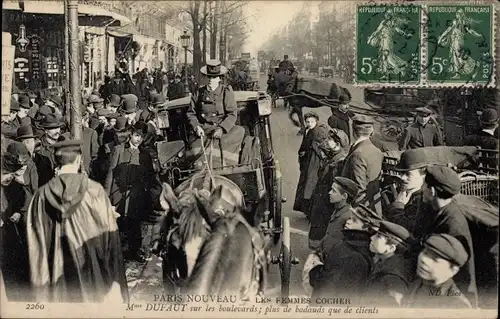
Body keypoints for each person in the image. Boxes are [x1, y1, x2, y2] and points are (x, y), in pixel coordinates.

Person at [25, 139, 129, 303]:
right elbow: (110, 241)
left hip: (55, 276)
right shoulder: (95, 190)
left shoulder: (40, 196)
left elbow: (35, 242)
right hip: (90, 273)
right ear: (79, 159)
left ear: (56, 160)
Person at [419, 165, 477, 307]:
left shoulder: (453, 224)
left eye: (424, 186)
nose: (422, 190)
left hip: (452, 295)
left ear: (432, 191)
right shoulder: (440, 211)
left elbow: (463, 269)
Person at [305, 204, 382, 304]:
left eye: (354, 221)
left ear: (366, 228)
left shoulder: (354, 255)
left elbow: (331, 286)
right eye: (349, 218)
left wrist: (315, 273)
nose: (348, 222)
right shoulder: (352, 244)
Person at [104, 122, 155, 263]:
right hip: (118, 194)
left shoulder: (145, 154)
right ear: (131, 134)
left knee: (134, 224)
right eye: (137, 135)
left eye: (142, 137)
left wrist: (145, 189)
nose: (139, 139)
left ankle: (134, 251)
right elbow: (111, 173)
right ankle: (115, 254)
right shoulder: (119, 150)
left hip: (135, 196)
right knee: (117, 225)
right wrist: (107, 196)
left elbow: (150, 176)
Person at [187, 59, 245, 167]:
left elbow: (232, 113)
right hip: (204, 130)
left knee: (240, 131)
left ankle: (226, 163)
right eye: (208, 76)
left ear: (219, 78)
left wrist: (222, 128)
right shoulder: (198, 93)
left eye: (213, 77)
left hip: (222, 130)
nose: (210, 80)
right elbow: (191, 113)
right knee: (195, 152)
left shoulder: (226, 91)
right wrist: (196, 127)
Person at [404, 234, 472, 308]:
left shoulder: (457, 305)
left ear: (453, 270)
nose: (424, 260)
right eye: (425, 253)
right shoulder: (417, 284)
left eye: (435, 259)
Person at [1, 142, 32, 301]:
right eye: (7, 173)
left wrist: (18, 212)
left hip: (11, 231)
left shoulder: (13, 185)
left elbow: (23, 199)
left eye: (12, 174)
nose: (10, 177)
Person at [363, 221, 414, 306]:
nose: (372, 237)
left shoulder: (393, 278)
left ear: (391, 248)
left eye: (378, 236)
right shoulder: (383, 263)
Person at [341, 115, 383, 213]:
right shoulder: (377, 151)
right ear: (371, 132)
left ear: (353, 131)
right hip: (373, 205)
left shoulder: (357, 153)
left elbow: (359, 188)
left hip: (359, 208)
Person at [293, 112, 330, 216]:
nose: (309, 123)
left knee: (311, 184)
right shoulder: (307, 130)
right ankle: (306, 208)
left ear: (316, 121)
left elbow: (319, 147)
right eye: (307, 121)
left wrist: (308, 151)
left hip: (314, 162)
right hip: (307, 161)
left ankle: (310, 210)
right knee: (306, 184)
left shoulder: (318, 132)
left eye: (312, 121)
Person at [317, 176, 361, 254]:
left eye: (334, 191)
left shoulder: (349, 217)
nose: (329, 192)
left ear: (344, 196)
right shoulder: (338, 210)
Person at [34, 113, 64, 187]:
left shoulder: (64, 144)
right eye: (53, 128)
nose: (57, 131)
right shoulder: (38, 148)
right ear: (46, 130)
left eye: (58, 127)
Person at [15, 125, 39, 194]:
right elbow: (35, 190)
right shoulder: (30, 164)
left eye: (32, 141)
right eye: (27, 142)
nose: (31, 145)